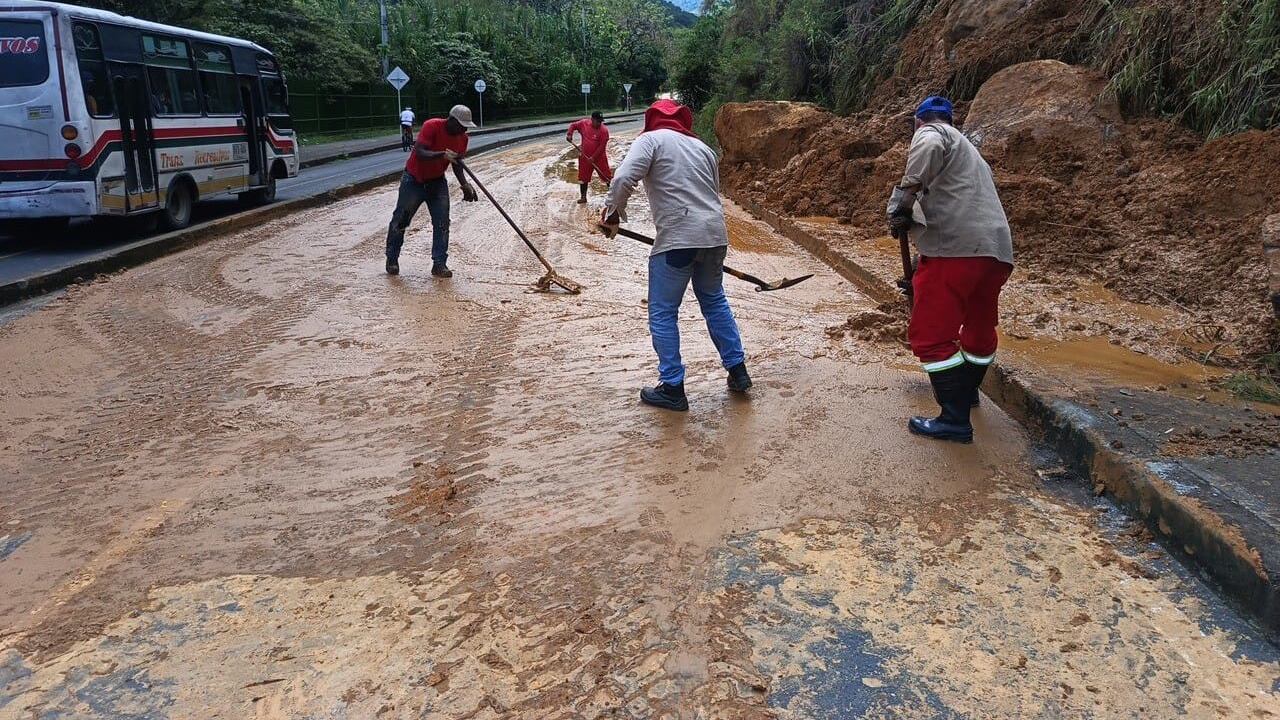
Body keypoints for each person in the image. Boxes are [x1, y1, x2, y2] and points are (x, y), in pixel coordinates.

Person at [599, 99, 750, 412]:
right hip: (714, 236)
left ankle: (672, 388)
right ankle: (738, 371)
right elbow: (710, 193)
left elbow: (624, 178)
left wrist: (611, 214)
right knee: (714, 300)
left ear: (651, 119)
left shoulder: (650, 140)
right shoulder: (704, 149)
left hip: (678, 239)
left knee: (663, 311)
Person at [886, 96, 1014, 444]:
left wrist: (904, 201)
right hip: (995, 252)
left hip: (956, 251)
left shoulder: (932, 133)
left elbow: (927, 146)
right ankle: (966, 391)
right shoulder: (972, 155)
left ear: (919, 122)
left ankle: (954, 419)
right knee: (979, 329)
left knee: (929, 336)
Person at [385, 105, 479, 278]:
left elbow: (457, 164)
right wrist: (442, 154)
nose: (464, 130)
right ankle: (392, 259)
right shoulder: (432, 126)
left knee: (442, 223)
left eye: (466, 127)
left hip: (437, 182)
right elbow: (420, 152)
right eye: (462, 125)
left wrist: (465, 184)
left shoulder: (463, 139)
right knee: (401, 220)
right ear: (451, 120)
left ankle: (439, 264)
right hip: (414, 180)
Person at [567, 111, 611, 204]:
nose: (599, 123)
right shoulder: (584, 123)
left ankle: (614, 196)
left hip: (599, 158)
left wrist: (593, 157)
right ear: (592, 119)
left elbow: (602, 147)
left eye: (600, 121)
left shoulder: (604, 131)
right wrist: (569, 134)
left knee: (606, 176)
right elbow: (573, 125)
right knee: (583, 178)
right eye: (597, 121)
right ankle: (583, 197)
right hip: (585, 157)